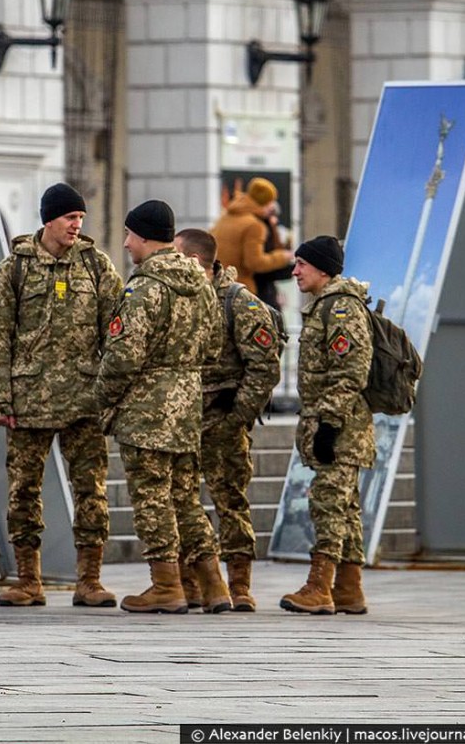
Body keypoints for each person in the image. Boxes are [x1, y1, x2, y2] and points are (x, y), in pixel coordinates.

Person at [0, 183, 123, 608]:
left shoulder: (96, 265)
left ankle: (90, 580)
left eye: (80, 218)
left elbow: (115, 329)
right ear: (48, 220)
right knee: (23, 490)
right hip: (29, 400)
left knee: (92, 490)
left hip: (84, 399)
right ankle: (28, 579)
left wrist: (110, 392)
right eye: (69, 218)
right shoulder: (14, 269)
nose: (76, 225)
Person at [95, 200, 230, 614]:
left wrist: (102, 396)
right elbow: (213, 344)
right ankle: (214, 585)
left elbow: (123, 356)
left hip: (147, 410)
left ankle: (166, 585)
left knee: (153, 496)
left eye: (129, 235)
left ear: (142, 237)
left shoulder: (145, 288)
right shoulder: (201, 284)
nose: (125, 244)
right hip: (188, 407)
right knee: (186, 497)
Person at [174, 229, 282, 612]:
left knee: (231, 503)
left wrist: (237, 416)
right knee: (180, 502)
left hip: (223, 421)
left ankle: (239, 586)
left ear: (194, 260)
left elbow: (265, 367)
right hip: (183, 421)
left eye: (176, 254)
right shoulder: (181, 298)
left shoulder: (239, 302)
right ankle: (193, 584)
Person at [282, 235, 373, 615]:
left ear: (322, 268)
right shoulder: (325, 306)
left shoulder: (340, 310)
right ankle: (349, 589)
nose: (295, 271)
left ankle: (319, 586)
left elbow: (351, 372)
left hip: (342, 429)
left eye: (302, 264)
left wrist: (330, 425)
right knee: (345, 508)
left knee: (328, 505)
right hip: (338, 425)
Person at [210, 177, 293, 296]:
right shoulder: (255, 225)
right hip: (241, 289)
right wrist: (283, 256)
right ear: (266, 203)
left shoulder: (227, 216)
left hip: (219, 285)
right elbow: (254, 262)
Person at [252, 199, 293, 312]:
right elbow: (259, 266)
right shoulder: (259, 230)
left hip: (264, 291)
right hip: (259, 292)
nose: (275, 220)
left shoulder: (265, 230)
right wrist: (284, 259)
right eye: (272, 215)